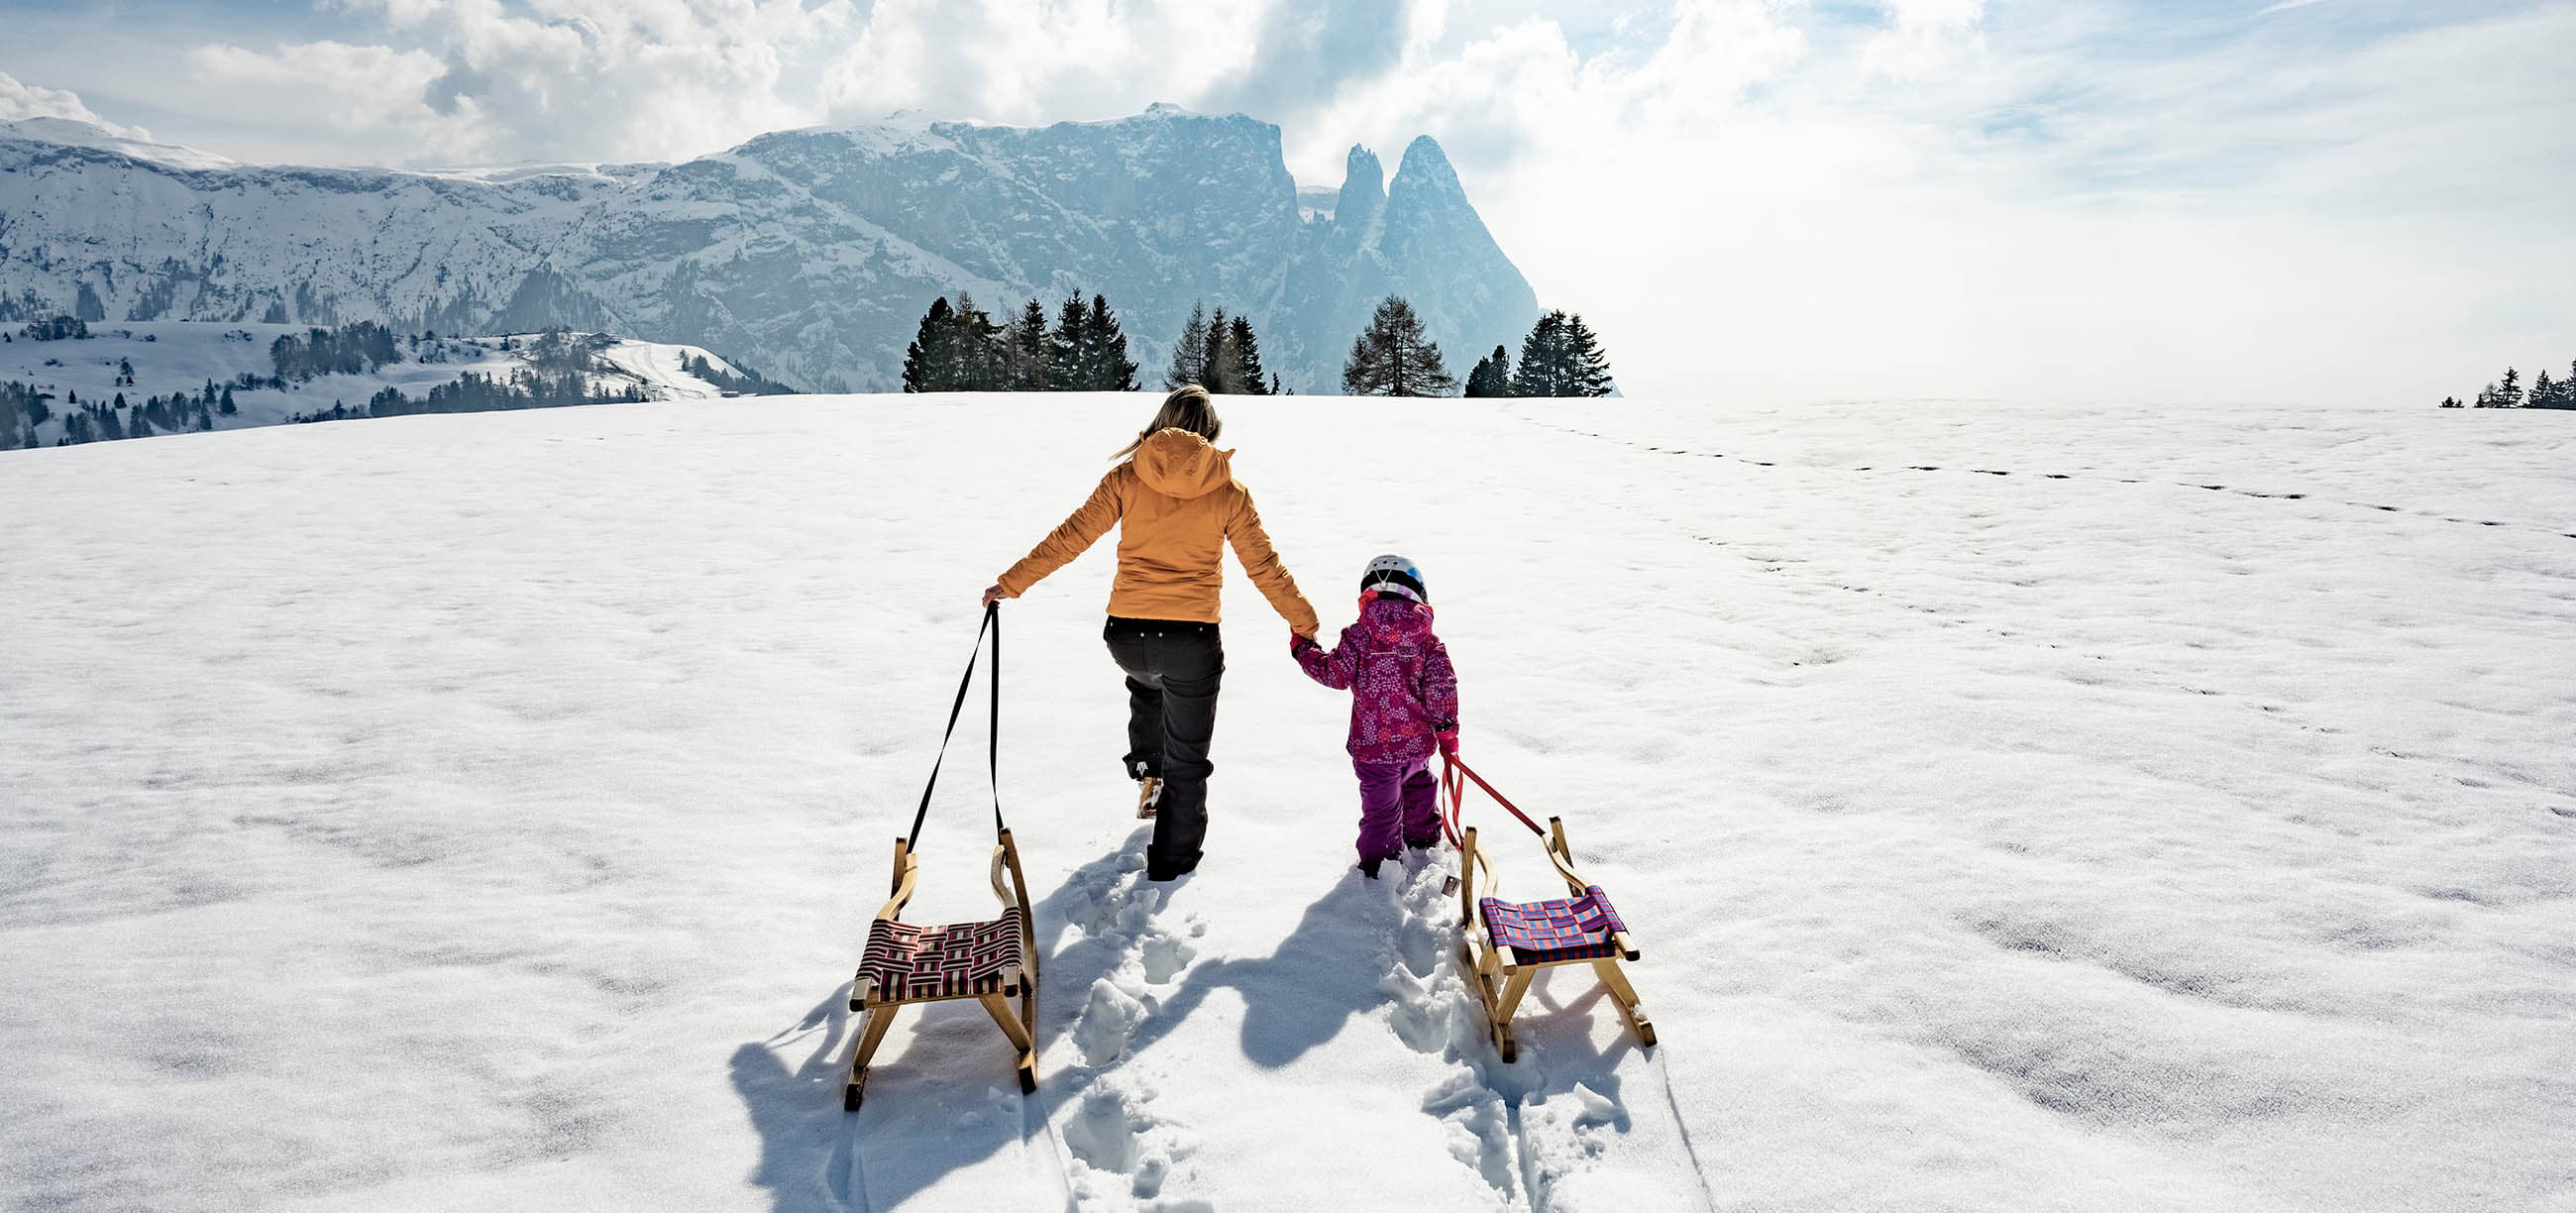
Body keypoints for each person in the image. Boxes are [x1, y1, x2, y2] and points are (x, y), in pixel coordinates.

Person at [983, 386, 1319, 880]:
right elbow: (1264, 567)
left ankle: (1148, 769)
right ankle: (1171, 866)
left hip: (1126, 635)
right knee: (1188, 750)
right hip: (1190, 641)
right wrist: (1304, 622)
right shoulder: (1227, 491)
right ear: (1210, 434)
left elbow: (1070, 537)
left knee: (1147, 680)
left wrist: (1009, 584)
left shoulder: (1126, 477)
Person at [1289, 555, 1459, 879]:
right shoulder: (1428, 642)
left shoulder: (1360, 635)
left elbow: (1334, 673)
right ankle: (1423, 841)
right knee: (1419, 787)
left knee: (1381, 811)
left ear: (1368, 596)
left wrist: (1303, 650)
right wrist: (1448, 732)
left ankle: (1379, 866)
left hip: (1374, 750)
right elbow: (1442, 690)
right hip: (1415, 747)